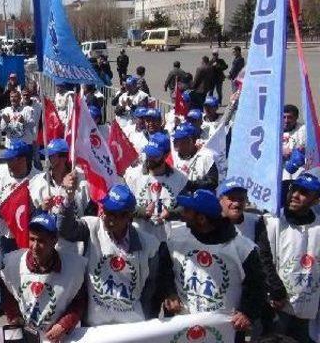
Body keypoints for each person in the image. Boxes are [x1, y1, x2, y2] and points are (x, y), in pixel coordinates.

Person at [60, 184, 175, 324]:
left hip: (131, 327)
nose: (106, 216)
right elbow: (65, 230)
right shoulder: (91, 227)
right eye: (106, 210)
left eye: (113, 214)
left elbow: (153, 288)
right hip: (94, 326)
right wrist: (68, 199)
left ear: (128, 217)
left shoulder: (149, 244)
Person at [165, 189, 265, 340]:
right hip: (184, 328)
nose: (182, 214)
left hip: (224, 332)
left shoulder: (242, 249)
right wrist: (170, 293)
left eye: (187, 211)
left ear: (201, 218)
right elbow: (164, 272)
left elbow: (258, 286)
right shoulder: (176, 239)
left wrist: (247, 313)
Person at [0, 213, 87, 341]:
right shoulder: (14, 262)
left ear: (54, 240)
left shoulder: (73, 267)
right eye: (32, 239)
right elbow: (8, 290)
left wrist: (64, 324)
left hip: (57, 337)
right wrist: (14, 316)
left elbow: (79, 302)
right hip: (25, 336)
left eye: (41, 241)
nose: (34, 246)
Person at [259, 173, 320, 342]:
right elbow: (263, 258)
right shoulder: (272, 222)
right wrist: (276, 291)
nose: (295, 195)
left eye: (304, 193)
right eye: (294, 189)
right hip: (278, 305)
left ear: (316, 200)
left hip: (308, 307)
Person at [124, 133, 188, 241]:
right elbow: (123, 206)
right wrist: (141, 212)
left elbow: (187, 208)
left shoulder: (180, 178)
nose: (150, 158)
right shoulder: (132, 176)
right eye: (149, 154)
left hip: (168, 240)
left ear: (166, 154)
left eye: (155, 155)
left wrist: (171, 213)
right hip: (140, 239)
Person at [171, 123, 219, 193]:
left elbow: (212, 182)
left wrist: (190, 184)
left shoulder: (206, 156)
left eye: (183, 142)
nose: (179, 145)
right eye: (176, 141)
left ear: (193, 141)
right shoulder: (174, 157)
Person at [282, 105, 306, 180]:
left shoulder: (303, 130)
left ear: (296, 118)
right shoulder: (272, 130)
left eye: (289, 117)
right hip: (279, 176)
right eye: (284, 117)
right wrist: (280, 152)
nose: (286, 121)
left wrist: (303, 149)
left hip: (298, 176)